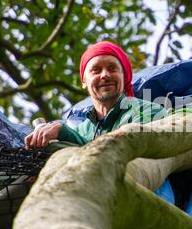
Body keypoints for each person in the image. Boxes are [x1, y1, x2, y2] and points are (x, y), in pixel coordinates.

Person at [24, 41, 165, 149]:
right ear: (84, 81)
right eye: (96, 70)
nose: (105, 75)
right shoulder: (80, 129)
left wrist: (65, 133)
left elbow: (120, 153)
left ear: (124, 76)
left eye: (112, 68)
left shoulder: (148, 112)